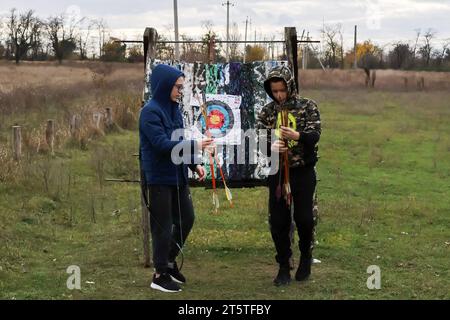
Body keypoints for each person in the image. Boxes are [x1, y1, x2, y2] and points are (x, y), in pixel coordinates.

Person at [139, 64, 214, 293]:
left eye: (182, 87)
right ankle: (159, 275)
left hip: (178, 175)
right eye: (178, 87)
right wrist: (196, 145)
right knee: (163, 227)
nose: (181, 91)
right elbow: (162, 145)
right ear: (164, 86)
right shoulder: (150, 112)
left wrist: (194, 163)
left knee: (187, 219)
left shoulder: (174, 109)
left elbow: (179, 141)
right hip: (160, 178)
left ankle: (169, 261)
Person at [257, 65, 321, 286]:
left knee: (304, 218)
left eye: (282, 90)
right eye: (274, 91)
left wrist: (297, 135)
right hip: (277, 172)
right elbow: (259, 141)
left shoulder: (307, 106)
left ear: (290, 86)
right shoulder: (267, 111)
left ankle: (305, 256)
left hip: (302, 172)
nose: (279, 95)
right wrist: (271, 147)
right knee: (278, 221)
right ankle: (283, 265)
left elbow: (314, 135)